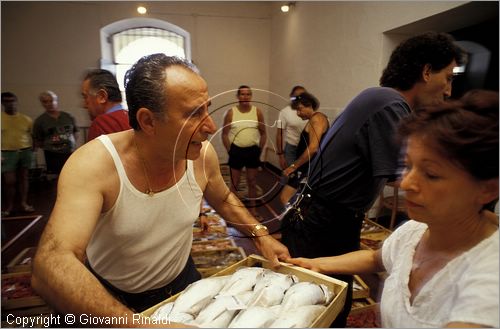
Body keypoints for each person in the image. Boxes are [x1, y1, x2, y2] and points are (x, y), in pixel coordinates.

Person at [32, 54, 290, 326]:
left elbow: (223, 197)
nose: (210, 127)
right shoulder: (96, 164)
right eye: (194, 114)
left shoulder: (202, 155)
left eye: (207, 109)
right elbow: (51, 262)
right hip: (108, 296)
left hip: (181, 283)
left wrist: (260, 235)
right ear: (148, 121)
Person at [279, 31, 466, 326]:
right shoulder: (390, 103)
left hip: (326, 218)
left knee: (327, 302)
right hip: (322, 222)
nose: (448, 91)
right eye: (448, 77)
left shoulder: (380, 98)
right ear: (427, 72)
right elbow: (406, 178)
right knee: (319, 309)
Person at [287, 90, 499, 327]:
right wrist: (315, 264)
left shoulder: (489, 280)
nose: (407, 183)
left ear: (487, 190)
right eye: (408, 166)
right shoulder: (415, 230)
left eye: (431, 174)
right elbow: (375, 258)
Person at [222, 85, 267, 217]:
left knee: (252, 182)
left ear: (251, 96)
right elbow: (224, 134)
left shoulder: (257, 112)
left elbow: (263, 133)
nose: (245, 97)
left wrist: (260, 150)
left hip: (253, 151)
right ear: (238, 97)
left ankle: (253, 210)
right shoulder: (231, 112)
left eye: (248, 94)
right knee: (234, 183)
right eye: (242, 94)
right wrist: (230, 150)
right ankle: (234, 211)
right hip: (236, 151)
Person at [280, 92, 329, 205]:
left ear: (310, 105)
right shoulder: (314, 119)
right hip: (305, 168)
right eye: (296, 110)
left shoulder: (317, 119)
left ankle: (295, 222)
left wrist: (293, 166)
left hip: (307, 168)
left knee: (285, 198)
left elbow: (313, 149)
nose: (298, 113)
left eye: (300, 109)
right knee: (293, 200)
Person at [1, 92, 35, 216]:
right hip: (7, 153)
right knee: (9, 181)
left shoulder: (26, 119)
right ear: (3, 103)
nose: (11, 103)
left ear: (16, 101)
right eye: (7, 101)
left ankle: (24, 203)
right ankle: (9, 206)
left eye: (13, 100)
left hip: (25, 151)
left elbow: (32, 136)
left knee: (23, 178)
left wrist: (32, 151)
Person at [33, 90, 78, 176]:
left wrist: (68, 142)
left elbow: (75, 132)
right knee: (56, 178)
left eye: (52, 100)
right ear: (42, 104)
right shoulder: (40, 121)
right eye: (46, 101)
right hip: (52, 155)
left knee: (72, 175)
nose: (50, 103)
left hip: (69, 152)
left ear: (56, 101)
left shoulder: (68, 116)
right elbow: (38, 140)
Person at [81, 68, 131, 141]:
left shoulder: (101, 125)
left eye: (85, 97)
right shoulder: (134, 119)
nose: (84, 105)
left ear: (102, 96)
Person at [276, 85, 308, 169]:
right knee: (290, 174)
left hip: (306, 148)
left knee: (303, 176)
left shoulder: (309, 111)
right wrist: (281, 155)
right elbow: (279, 134)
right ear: (292, 97)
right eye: (296, 96)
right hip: (291, 149)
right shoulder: (285, 112)